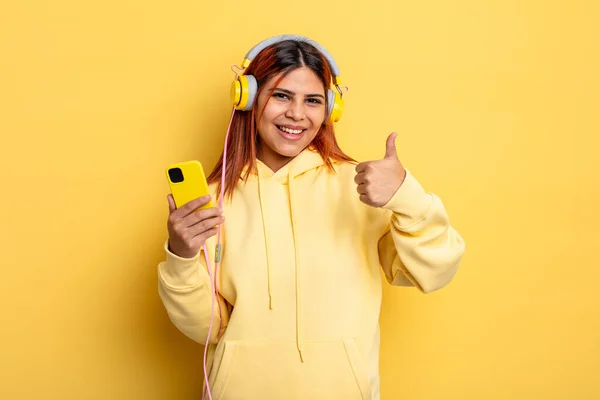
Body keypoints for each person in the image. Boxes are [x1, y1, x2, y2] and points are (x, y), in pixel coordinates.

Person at [157, 35, 465, 400]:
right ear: (249, 99)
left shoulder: (364, 187)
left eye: (313, 100)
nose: (297, 114)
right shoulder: (212, 198)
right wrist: (182, 256)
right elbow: (205, 326)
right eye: (281, 96)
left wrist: (407, 197)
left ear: (330, 109)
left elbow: (436, 271)